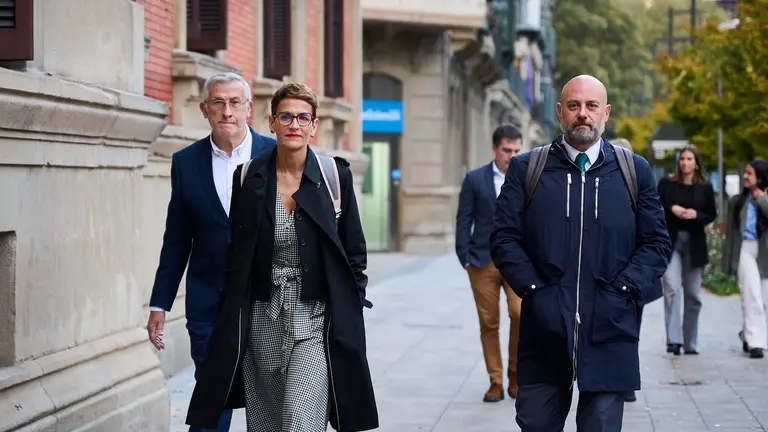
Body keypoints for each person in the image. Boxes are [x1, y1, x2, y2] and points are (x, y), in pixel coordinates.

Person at [185, 83, 379, 431]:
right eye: (286, 116)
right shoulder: (247, 178)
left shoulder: (335, 176)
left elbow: (354, 251)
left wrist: (351, 301)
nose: (294, 124)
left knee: (300, 419)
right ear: (271, 122)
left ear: (314, 126)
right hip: (262, 317)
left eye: (303, 117)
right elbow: (236, 254)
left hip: (314, 319)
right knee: (268, 423)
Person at [491, 75, 671, 431]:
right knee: (536, 424)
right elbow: (504, 239)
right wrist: (534, 292)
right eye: (574, 106)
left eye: (591, 106)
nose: (582, 114)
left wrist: (622, 291)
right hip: (545, 332)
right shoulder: (528, 169)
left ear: (605, 113)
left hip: (609, 330)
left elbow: (656, 244)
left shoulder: (634, 171)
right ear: (560, 112)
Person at [145, 72, 276, 432]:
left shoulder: (275, 156)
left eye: (235, 102)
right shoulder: (186, 162)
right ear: (205, 109)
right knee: (211, 401)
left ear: (249, 109)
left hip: (267, 302)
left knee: (267, 402)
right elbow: (177, 239)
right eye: (218, 102)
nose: (227, 111)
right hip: (208, 305)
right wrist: (160, 303)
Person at [455, 124, 523, 402]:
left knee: (520, 314)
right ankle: (495, 381)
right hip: (482, 261)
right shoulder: (475, 179)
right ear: (495, 149)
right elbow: (463, 219)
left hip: (518, 260)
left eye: (517, 151)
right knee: (489, 323)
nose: (512, 156)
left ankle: (515, 375)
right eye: (507, 150)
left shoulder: (527, 177)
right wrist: (466, 258)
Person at [658, 146, 717, 356]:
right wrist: (672, 209)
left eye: (689, 159)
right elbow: (655, 206)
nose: (685, 163)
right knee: (672, 288)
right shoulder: (667, 184)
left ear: (696, 163)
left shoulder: (705, 187)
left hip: (694, 243)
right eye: (682, 159)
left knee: (693, 294)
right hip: (671, 242)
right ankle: (674, 340)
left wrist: (696, 215)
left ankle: (690, 341)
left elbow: (711, 214)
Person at [723, 160, 768, 359]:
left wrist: (762, 199)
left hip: (765, 252)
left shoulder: (764, 198)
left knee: (764, 299)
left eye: (750, 174)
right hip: (746, 249)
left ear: (760, 176)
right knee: (752, 296)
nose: (745, 177)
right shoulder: (739, 201)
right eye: (746, 173)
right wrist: (729, 260)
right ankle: (756, 344)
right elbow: (731, 234)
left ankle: (747, 333)